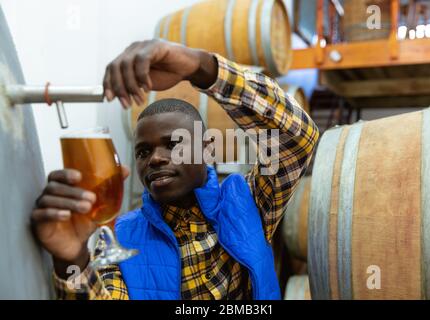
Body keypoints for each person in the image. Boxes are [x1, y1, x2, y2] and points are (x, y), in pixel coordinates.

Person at [31, 39, 319, 300]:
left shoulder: (249, 201)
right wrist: (72, 259)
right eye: (143, 151)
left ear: (208, 148)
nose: (155, 159)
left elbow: (297, 138)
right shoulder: (122, 236)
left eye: (173, 144)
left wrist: (202, 67)